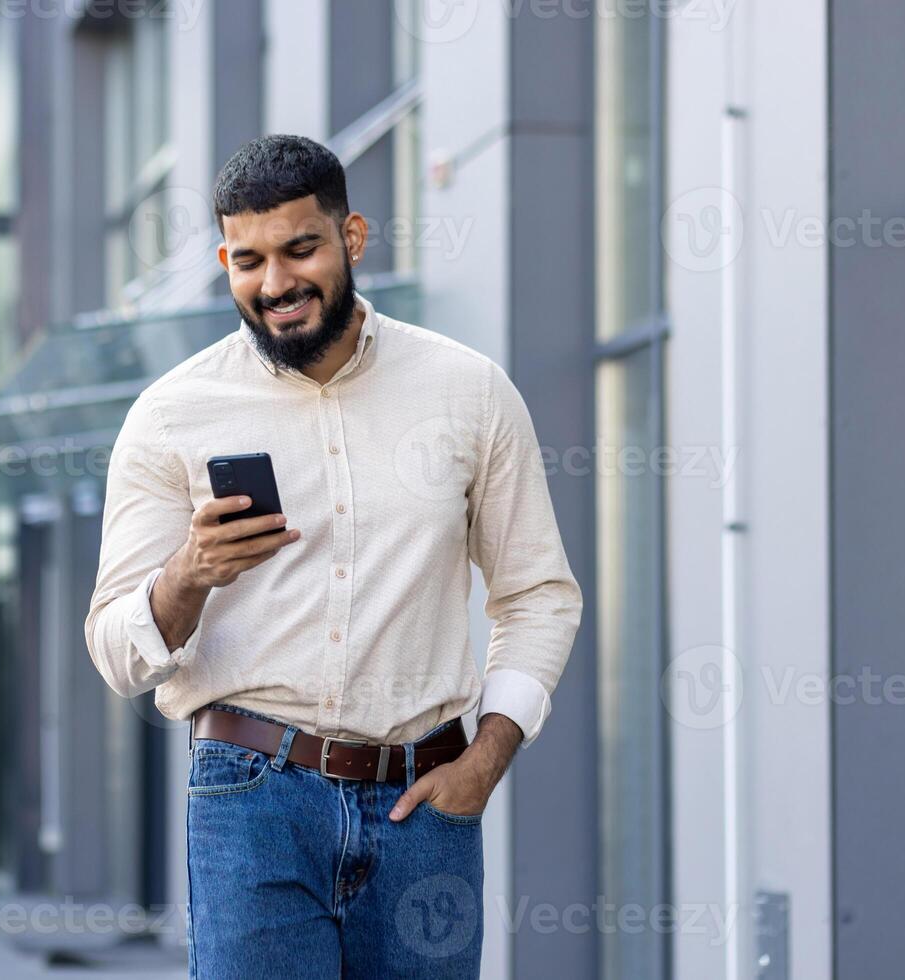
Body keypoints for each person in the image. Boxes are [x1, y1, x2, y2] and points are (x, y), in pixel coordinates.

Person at [85, 134, 582, 978]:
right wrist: (189, 574)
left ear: (351, 237)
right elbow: (114, 652)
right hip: (252, 799)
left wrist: (486, 761)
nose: (276, 284)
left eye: (299, 249)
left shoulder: (468, 390)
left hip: (426, 804)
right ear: (225, 261)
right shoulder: (171, 415)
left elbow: (537, 594)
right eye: (248, 261)